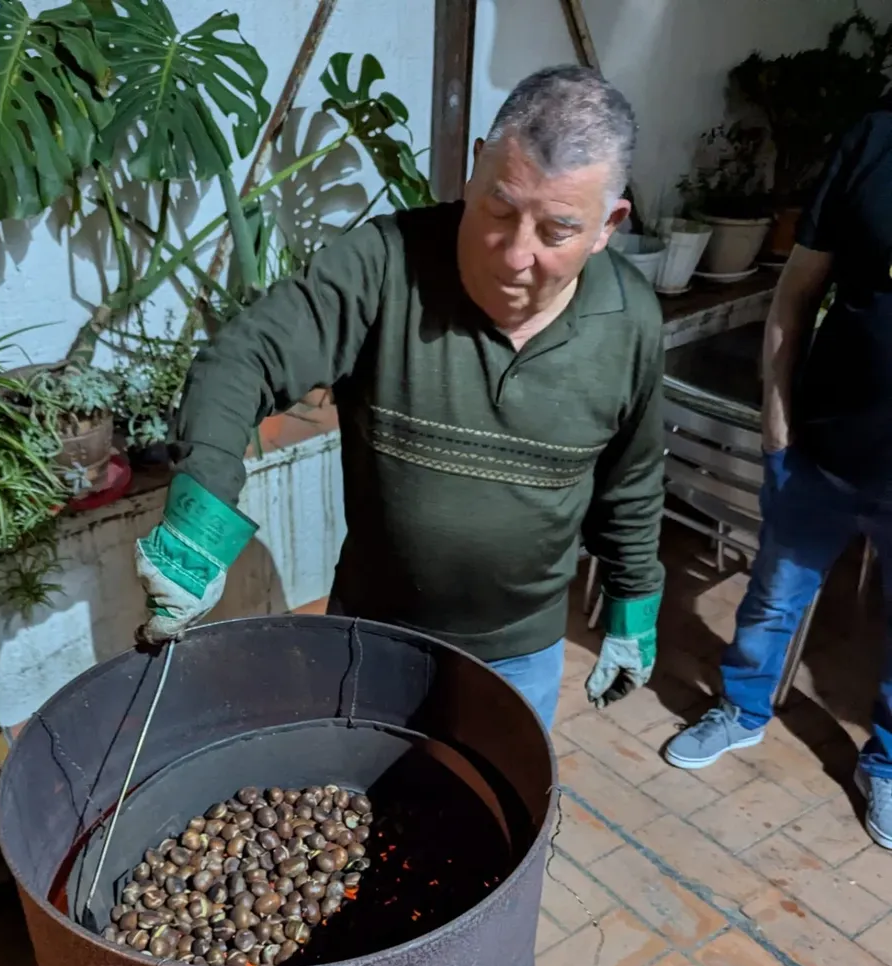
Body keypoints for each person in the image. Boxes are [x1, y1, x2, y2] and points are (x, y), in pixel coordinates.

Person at [136, 65, 667, 731]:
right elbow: (246, 355)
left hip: (520, 652)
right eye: (498, 210)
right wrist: (199, 516)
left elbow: (633, 478)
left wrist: (634, 603)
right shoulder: (384, 265)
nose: (513, 254)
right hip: (371, 632)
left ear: (607, 224)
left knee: (488, 812)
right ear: (475, 168)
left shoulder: (631, 322)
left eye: (556, 230)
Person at [665, 108, 892, 851]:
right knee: (770, 600)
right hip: (821, 450)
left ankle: (885, 765)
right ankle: (742, 710)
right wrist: (776, 417)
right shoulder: (873, 136)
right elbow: (797, 289)